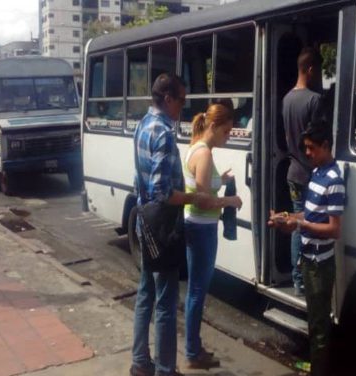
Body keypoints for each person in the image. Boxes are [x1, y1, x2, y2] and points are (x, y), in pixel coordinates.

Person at [131, 73, 211, 376]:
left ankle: (140, 362)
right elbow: (162, 192)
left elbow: (141, 181)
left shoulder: (142, 124)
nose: (183, 106)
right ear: (168, 99)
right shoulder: (163, 132)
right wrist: (196, 196)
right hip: (163, 228)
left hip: (145, 222)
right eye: (181, 100)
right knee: (165, 301)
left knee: (145, 294)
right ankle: (165, 369)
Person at [268, 122, 344, 376]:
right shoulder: (317, 175)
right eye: (305, 148)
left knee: (320, 324)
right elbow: (308, 214)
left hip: (320, 265)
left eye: (312, 148)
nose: (307, 153)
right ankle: (316, 364)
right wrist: (286, 216)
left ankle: (319, 371)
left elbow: (334, 230)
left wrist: (300, 224)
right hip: (309, 258)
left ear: (325, 146)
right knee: (314, 319)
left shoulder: (333, 180)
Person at [183, 103, 243, 369]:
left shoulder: (195, 147)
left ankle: (193, 348)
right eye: (227, 131)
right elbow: (204, 201)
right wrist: (229, 200)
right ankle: (193, 352)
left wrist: (222, 178)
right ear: (215, 127)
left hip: (195, 226)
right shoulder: (205, 153)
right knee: (198, 291)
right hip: (202, 228)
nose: (228, 137)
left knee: (196, 290)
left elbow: (204, 186)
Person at [282, 47, 322, 296]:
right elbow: (317, 141)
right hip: (309, 173)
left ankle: (297, 279)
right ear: (309, 69)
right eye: (317, 70)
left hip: (292, 172)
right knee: (310, 225)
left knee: (298, 223)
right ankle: (304, 278)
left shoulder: (287, 99)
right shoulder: (314, 100)